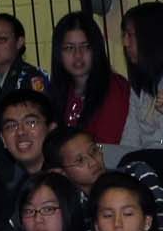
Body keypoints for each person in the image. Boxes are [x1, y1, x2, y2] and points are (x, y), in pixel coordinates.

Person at [47, 12, 131, 147]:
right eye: (69, 48)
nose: (78, 55)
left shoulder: (115, 88)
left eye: (85, 47)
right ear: (58, 53)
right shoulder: (59, 91)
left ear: (96, 49)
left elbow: (107, 146)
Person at [119, 2, 163, 155]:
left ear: (151, 37)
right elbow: (130, 139)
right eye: (124, 35)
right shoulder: (141, 81)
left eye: (130, 35)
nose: (125, 43)